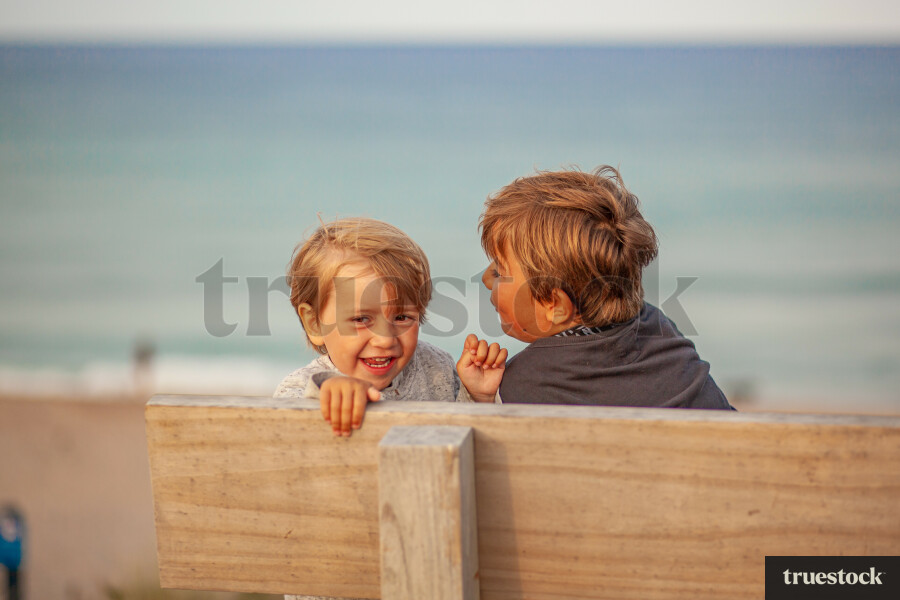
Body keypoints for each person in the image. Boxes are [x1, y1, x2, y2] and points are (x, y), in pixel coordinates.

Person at [474, 166, 733, 409]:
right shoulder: (658, 326)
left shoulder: (524, 383)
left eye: (499, 272)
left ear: (556, 306)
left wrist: (484, 400)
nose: (486, 279)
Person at [274, 217, 506, 437]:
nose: (385, 339)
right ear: (314, 324)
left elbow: (464, 441)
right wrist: (329, 394)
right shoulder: (301, 388)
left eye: (402, 317)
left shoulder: (436, 367)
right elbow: (282, 450)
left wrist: (477, 396)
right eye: (361, 319)